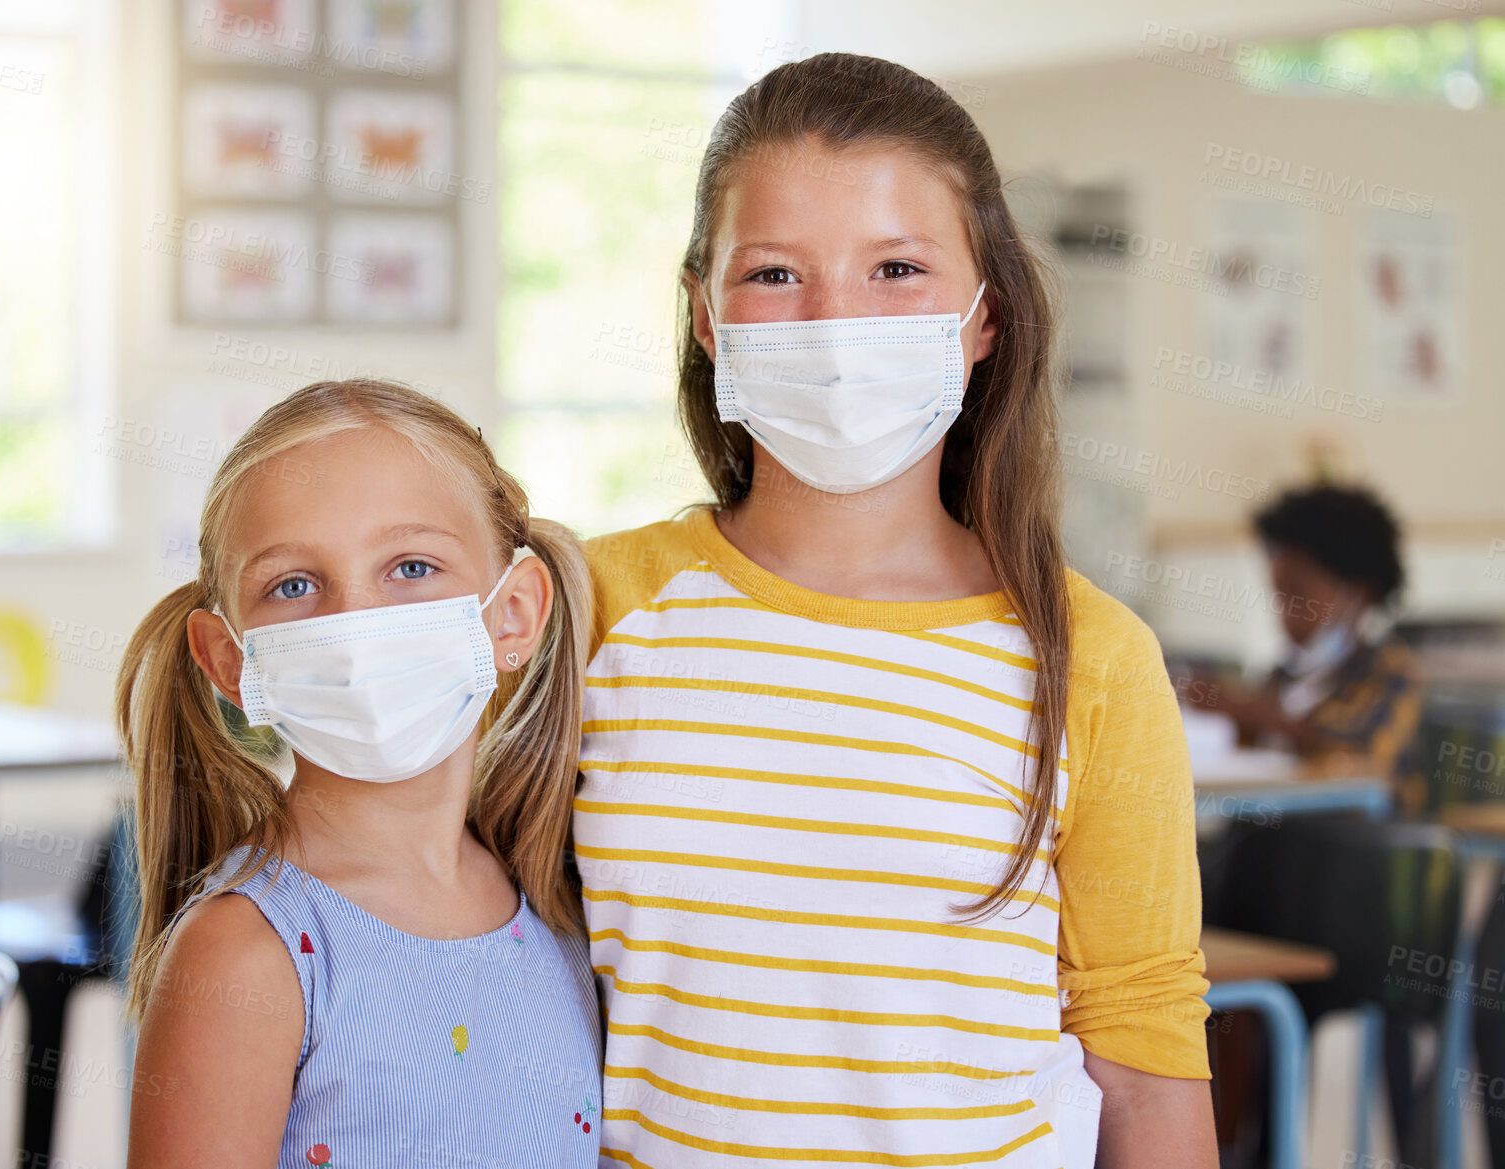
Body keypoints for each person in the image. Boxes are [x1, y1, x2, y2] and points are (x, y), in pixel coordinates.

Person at [575, 54, 1216, 1169]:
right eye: (774, 274)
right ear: (705, 316)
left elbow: (1147, 1081)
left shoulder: (1092, 658)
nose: (834, 324)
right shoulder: (591, 606)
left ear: (985, 317)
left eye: (897, 269)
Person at [118, 380, 603, 1168]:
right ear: (230, 660)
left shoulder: (556, 905)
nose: (355, 621)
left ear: (512, 612)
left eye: (411, 566)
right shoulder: (245, 953)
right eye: (295, 586)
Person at [1208, 484, 1421, 803]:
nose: (1286, 613)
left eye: (1300, 595)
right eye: (1279, 595)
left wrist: (1253, 712)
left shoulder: (1392, 671)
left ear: (1360, 593)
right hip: (1278, 831)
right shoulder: (1284, 676)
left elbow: (1360, 753)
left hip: (1363, 842)